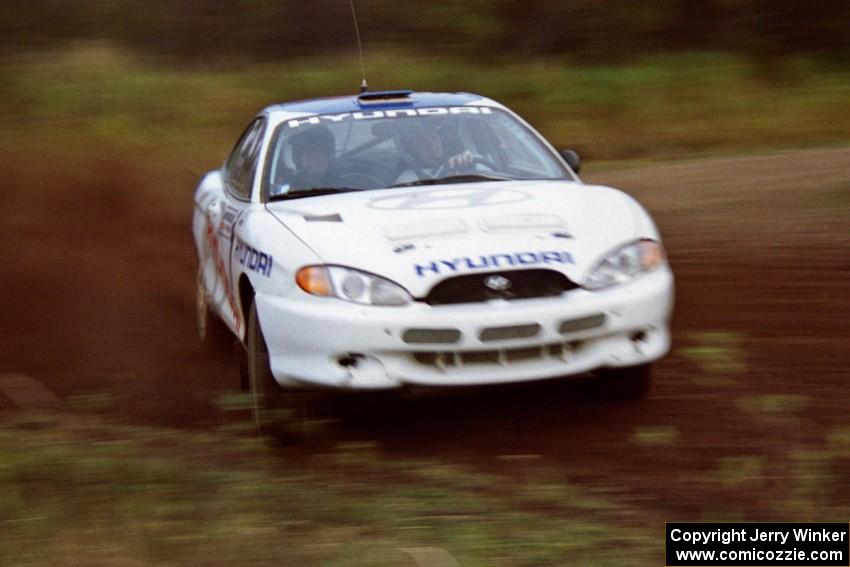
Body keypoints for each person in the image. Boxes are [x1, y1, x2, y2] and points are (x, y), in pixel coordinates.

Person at [394, 121, 474, 184]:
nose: (432, 148)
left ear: (440, 141)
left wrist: (469, 165)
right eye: (424, 143)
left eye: (434, 139)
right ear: (415, 148)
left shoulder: (460, 162)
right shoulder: (408, 179)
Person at [289, 125, 336, 190]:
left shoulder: (342, 181)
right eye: (308, 152)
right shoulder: (293, 189)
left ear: (329, 155)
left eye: (320, 151)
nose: (315, 158)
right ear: (298, 159)